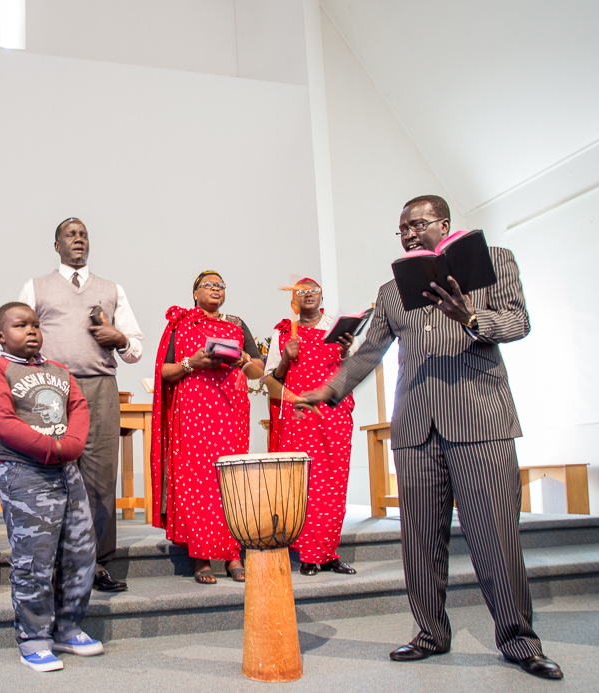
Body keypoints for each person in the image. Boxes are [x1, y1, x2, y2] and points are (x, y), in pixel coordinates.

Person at [297, 195, 562, 680]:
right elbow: (368, 352)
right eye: (402, 229)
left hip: (481, 424)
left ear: (444, 223)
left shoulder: (492, 262)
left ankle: (519, 639)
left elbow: (518, 322)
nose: (410, 233)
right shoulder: (395, 289)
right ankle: (430, 633)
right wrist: (328, 390)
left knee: (495, 538)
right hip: (416, 429)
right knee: (419, 540)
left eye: (418, 224)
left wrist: (471, 319)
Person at [0, 302, 101, 672]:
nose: (31, 331)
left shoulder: (59, 371)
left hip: (67, 470)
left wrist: (72, 445)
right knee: (34, 559)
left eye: (35, 324)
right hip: (25, 473)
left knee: (79, 551)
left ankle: (68, 626)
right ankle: (34, 638)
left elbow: (78, 408)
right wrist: (50, 448)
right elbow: (1, 420)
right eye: (20, 325)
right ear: (0, 335)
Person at [19, 217, 144, 592]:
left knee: (100, 478)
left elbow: (135, 348)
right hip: (51, 387)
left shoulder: (111, 289)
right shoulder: (36, 287)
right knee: (51, 474)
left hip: (101, 386)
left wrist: (118, 337)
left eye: (84, 234)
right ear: (56, 245)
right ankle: (55, 564)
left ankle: (97, 564)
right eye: (70, 235)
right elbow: (17, 335)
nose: (78, 239)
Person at [151, 271, 264, 584]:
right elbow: (165, 371)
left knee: (230, 481)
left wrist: (242, 359)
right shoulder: (182, 324)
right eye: (208, 285)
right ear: (195, 293)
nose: (215, 289)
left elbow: (257, 370)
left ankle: (231, 555)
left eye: (220, 285)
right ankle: (201, 558)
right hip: (194, 411)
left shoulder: (238, 324)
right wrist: (193, 363)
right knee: (198, 482)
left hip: (230, 410)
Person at [263, 278, 358, 576]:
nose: (307, 296)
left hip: (333, 413)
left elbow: (353, 371)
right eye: (300, 292)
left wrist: (345, 352)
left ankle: (328, 552)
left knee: (333, 481)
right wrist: (285, 361)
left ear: (321, 295)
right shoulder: (284, 333)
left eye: (312, 291)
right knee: (303, 482)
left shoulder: (338, 328)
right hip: (301, 416)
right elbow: (271, 380)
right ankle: (307, 554)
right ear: (293, 299)